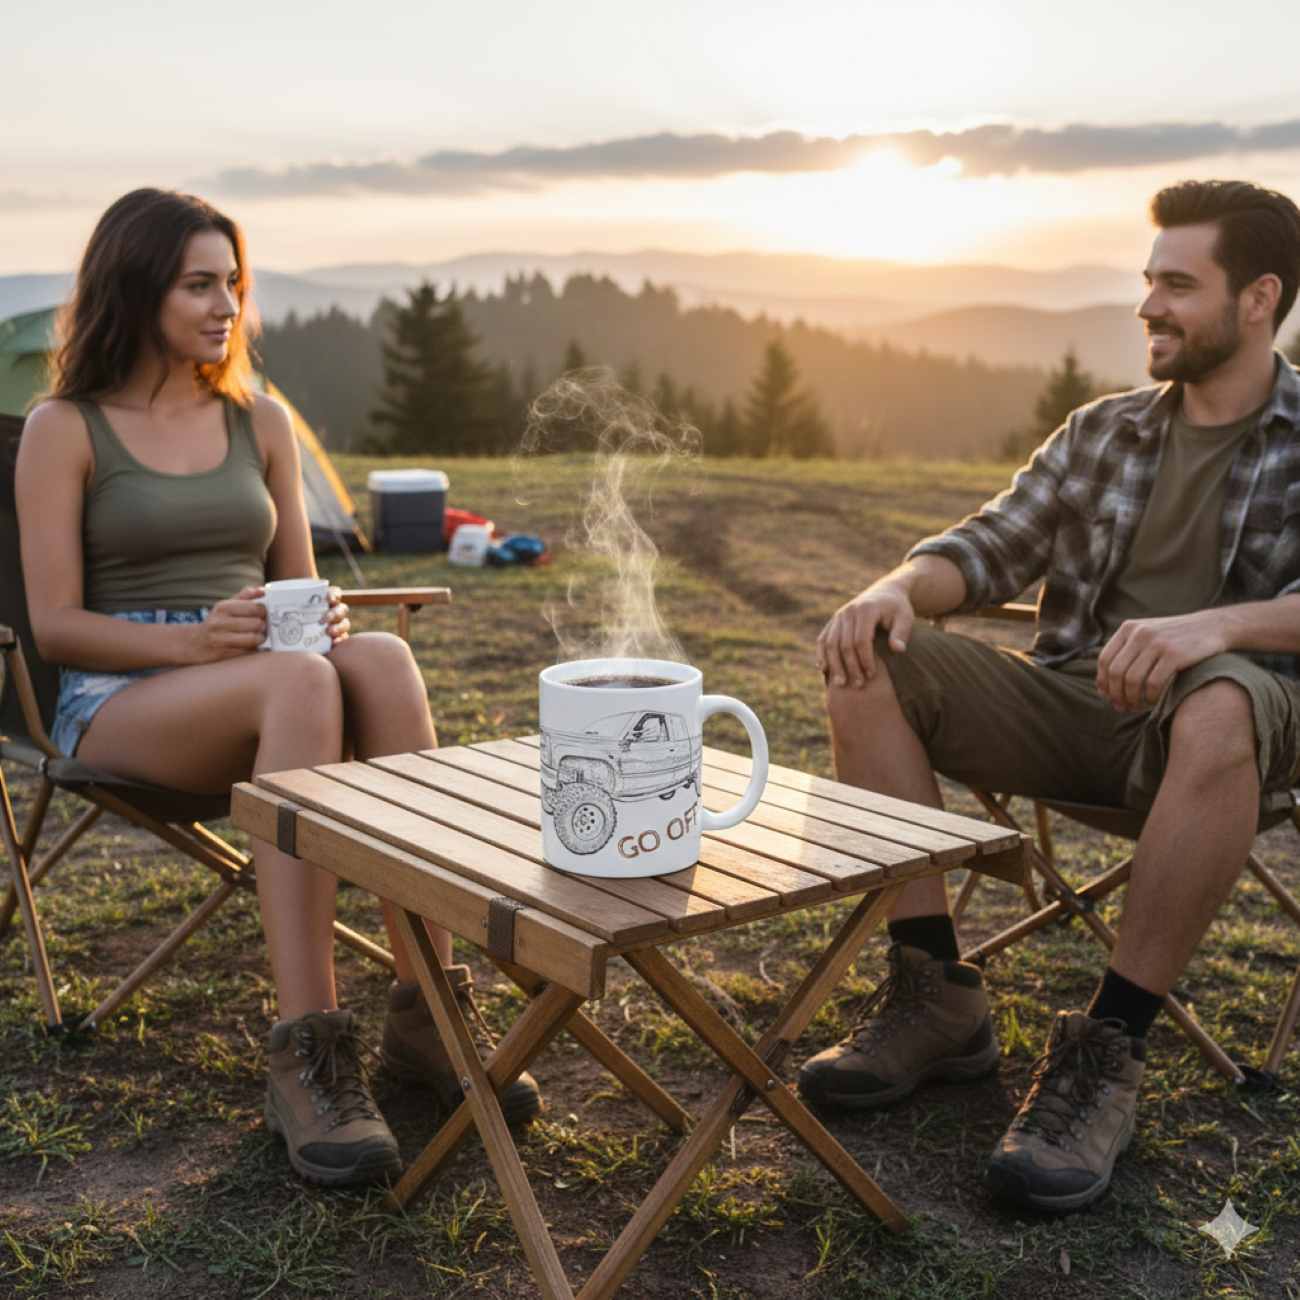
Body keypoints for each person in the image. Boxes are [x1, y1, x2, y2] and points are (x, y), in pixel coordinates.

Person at [15, 188, 540, 1187]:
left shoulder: (260, 418)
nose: (228, 305)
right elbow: (53, 624)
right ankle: (308, 1053)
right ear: (136, 289)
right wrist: (201, 647)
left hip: (259, 671)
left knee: (375, 658)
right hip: (122, 694)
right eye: (199, 284)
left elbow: (298, 581)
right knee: (299, 683)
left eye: (234, 282)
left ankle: (428, 1012)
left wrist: (327, 617)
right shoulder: (65, 427)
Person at [801, 179, 1300, 1213]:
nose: (1147, 306)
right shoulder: (1101, 431)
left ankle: (1106, 1052)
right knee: (866, 655)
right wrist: (891, 589)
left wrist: (1210, 627)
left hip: (1230, 729)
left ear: (1258, 298)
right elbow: (984, 550)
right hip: (1073, 705)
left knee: (1217, 698)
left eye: (1175, 283)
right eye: (1144, 280)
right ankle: (935, 993)